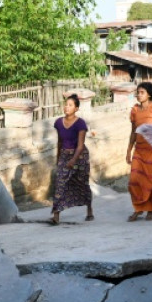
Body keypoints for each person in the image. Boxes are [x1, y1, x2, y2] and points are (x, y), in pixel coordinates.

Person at [126, 81, 152, 221]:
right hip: (139, 150)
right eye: (138, 92)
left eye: (142, 92)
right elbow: (132, 132)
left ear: (149, 94)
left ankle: (150, 210)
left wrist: (148, 129)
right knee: (134, 181)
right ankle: (138, 208)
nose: (139, 95)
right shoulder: (135, 111)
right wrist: (128, 151)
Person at [50, 94, 93, 225]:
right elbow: (59, 142)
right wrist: (58, 159)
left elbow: (80, 146)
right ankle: (56, 215)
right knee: (60, 183)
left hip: (79, 157)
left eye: (70, 105)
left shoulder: (80, 124)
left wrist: (73, 160)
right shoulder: (58, 122)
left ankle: (89, 209)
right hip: (64, 155)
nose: (67, 107)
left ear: (76, 108)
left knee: (82, 183)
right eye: (66, 104)